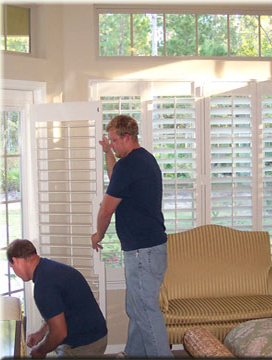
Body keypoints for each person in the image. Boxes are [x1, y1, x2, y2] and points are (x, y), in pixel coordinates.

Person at [91, 114, 172, 358]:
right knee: (136, 307)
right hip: (153, 249)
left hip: (141, 252)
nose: (112, 145)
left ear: (127, 138)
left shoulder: (129, 165)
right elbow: (118, 177)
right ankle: (133, 353)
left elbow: (106, 210)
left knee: (145, 310)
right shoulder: (144, 159)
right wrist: (107, 153)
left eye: (114, 141)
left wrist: (98, 235)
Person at [7, 239, 108, 358]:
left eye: (12, 266)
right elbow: (58, 310)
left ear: (15, 260)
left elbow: (59, 333)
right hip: (96, 334)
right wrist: (41, 333)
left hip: (85, 344)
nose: (15, 272)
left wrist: (40, 351)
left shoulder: (43, 286)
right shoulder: (50, 268)